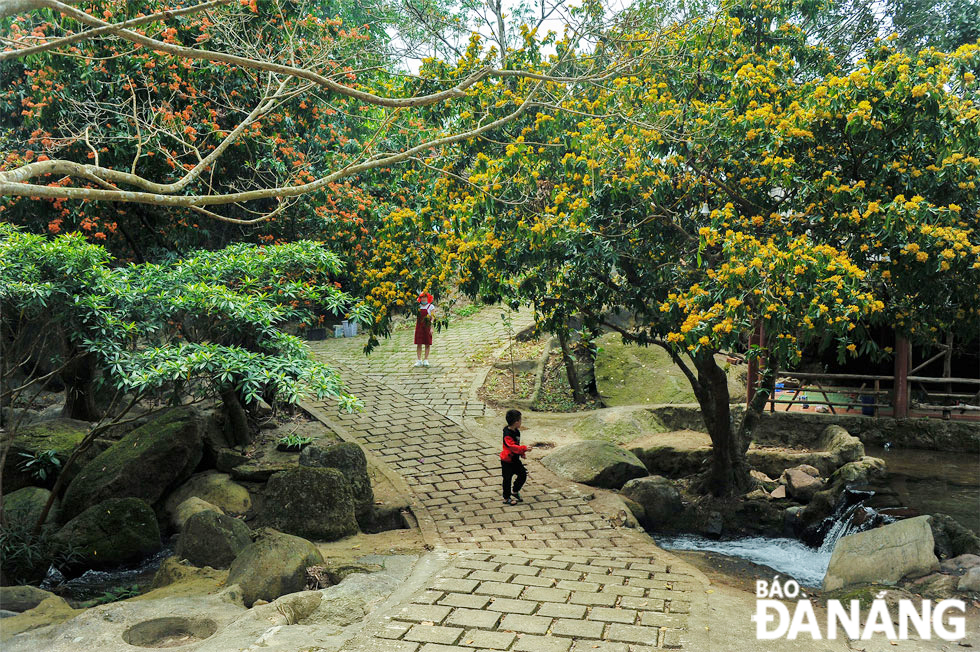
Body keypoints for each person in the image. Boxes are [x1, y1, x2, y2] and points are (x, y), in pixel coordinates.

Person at [500, 408, 528, 505]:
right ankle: (506, 497)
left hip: (515, 459)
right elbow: (512, 446)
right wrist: (524, 448)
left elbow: (517, 444)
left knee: (523, 474)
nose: (521, 422)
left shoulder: (516, 431)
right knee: (507, 479)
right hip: (507, 461)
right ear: (516, 422)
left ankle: (515, 491)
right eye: (520, 420)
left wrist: (521, 453)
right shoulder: (507, 434)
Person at [414, 292, 435, 367]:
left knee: (427, 343)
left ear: (428, 298)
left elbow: (433, 318)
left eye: (425, 297)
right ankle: (419, 360)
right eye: (422, 297)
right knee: (419, 343)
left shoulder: (431, 307)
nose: (424, 299)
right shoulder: (418, 306)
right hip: (419, 327)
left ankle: (426, 359)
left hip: (427, 326)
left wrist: (431, 328)